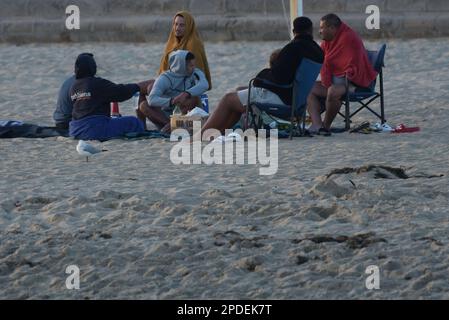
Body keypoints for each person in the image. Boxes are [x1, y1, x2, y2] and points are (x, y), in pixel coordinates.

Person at [201, 17, 324, 135]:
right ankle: (220, 132)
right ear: (310, 30)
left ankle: (201, 134)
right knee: (238, 101)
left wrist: (260, 78)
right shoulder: (318, 52)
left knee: (228, 99)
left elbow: (278, 78)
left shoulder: (292, 48)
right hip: (298, 103)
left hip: (282, 100)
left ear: (293, 31)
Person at [136, 11, 212, 126]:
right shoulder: (173, 42)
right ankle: (142, 125)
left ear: (189, 26)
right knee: (142, 91)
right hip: (170, 82)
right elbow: (166, 72)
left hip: (185, 88)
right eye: (176, 24)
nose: (177, 28)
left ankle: (168, 124)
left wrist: (184, 93)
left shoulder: (193, 44)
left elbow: (197, 78)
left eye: (182, 25)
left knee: (151, 87)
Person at [307, 13, 378, 135]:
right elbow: (322, 58)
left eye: (322, 28)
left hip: (356, 83)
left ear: (332, 28)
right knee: (308, 88)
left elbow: (345, 66)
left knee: (333, 92)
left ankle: (326, 126)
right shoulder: (329, 40)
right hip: (339, 81)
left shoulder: (347, 38)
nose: (320, 31)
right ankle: (316, 124)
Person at [69, 53, 152, 141]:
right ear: (93, 68)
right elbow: (121, 92)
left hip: (75, 130)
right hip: (94, 129)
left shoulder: (73, 86)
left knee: (116, 120)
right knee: (133, 122)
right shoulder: (97, 83)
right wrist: (138, 87)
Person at [138, 50, 209, 133]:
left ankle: (172, 126)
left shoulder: (195, 72)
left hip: (184, 111)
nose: (194, 68)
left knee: (194, 98)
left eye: (194, 65)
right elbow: (152, 99)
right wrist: (171, 101)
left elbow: (204, 84)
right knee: (143, 105)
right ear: (181, 66)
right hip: (165, 112)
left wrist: (186, 94)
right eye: (191, 66)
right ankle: (170, 125)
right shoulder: (164, 78)